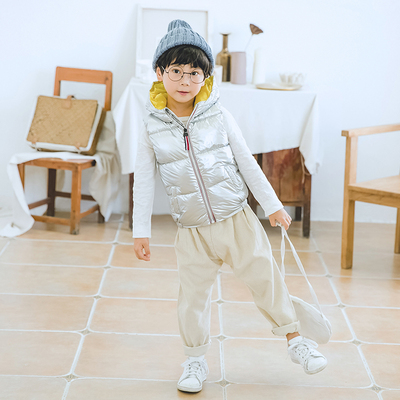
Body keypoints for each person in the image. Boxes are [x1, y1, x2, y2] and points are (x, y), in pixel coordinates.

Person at [133, 19, 327, 393]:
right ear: (159, 73)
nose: (185, 80)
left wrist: (272, 205)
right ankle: (194, 361)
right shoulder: (151, 126)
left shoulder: (219, 115)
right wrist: (141, 231)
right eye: (176, 71)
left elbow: (247, 162)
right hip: (192, 230)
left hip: (237, 220)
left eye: (194, 73)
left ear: (205, 77)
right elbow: (143, 180)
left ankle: (296, 341)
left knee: (266, 279)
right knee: (192, 299)